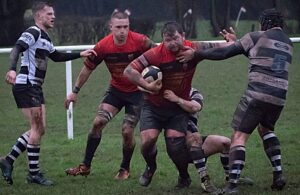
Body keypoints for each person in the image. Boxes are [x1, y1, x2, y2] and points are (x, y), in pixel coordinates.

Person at [180, 8, 293, 194]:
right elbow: (258, 56)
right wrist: (237, 42)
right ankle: (278, 174)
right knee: (266, 129)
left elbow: (223, 54)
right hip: (279, 96)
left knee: (239, 137)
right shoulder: (288, 42)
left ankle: (232, 185)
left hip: (257, 94)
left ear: (264, 24)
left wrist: (197, 54)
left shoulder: (256, 36)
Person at [123, 21, 232, 193]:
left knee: (175, 145)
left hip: (177, 108)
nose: (172, 43)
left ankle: (184, 176)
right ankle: (151, 167)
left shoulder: (193, 48)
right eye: (168, 40)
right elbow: (128, 71)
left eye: (175, 38)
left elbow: (224, 47)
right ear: (162, 41)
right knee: (148, 141)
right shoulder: (155, 54)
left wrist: (229, 41)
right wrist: (148, 86)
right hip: (153, 106)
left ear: (183, 36)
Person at [0, 1, 95, 186]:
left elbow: (56, 56)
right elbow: (16, 48)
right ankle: (33, 174)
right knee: (36, 129)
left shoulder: (45, 37)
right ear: (39, 16)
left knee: (40, 128)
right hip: (26, 84)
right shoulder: (32, 32)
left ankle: (8, 160)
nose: (53, 17)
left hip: (35, 87)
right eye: (49, 14)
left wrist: (80, 54)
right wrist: (12, 69)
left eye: (53, 14)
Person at [64, 10, 156, 180]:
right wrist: (74, 92)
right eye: (118, 27)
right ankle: (85, 166)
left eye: (126, 27)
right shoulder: (103, 46)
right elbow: (87, 69)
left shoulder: (140, 41)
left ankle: (124, 168)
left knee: (127, 132)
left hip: (137, 93)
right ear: (111, 27)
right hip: (116, 91)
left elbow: (160, 54)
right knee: (98, 122)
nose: (122, 31)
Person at [164, 88, 254, 189]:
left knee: (226, 143)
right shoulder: (165, 94)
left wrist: (177, 99)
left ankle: (230, 177)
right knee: (194, 138)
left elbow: (195, 107)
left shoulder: (193, 92)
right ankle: (196, 180)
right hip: (176, 144)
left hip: (194, 139)